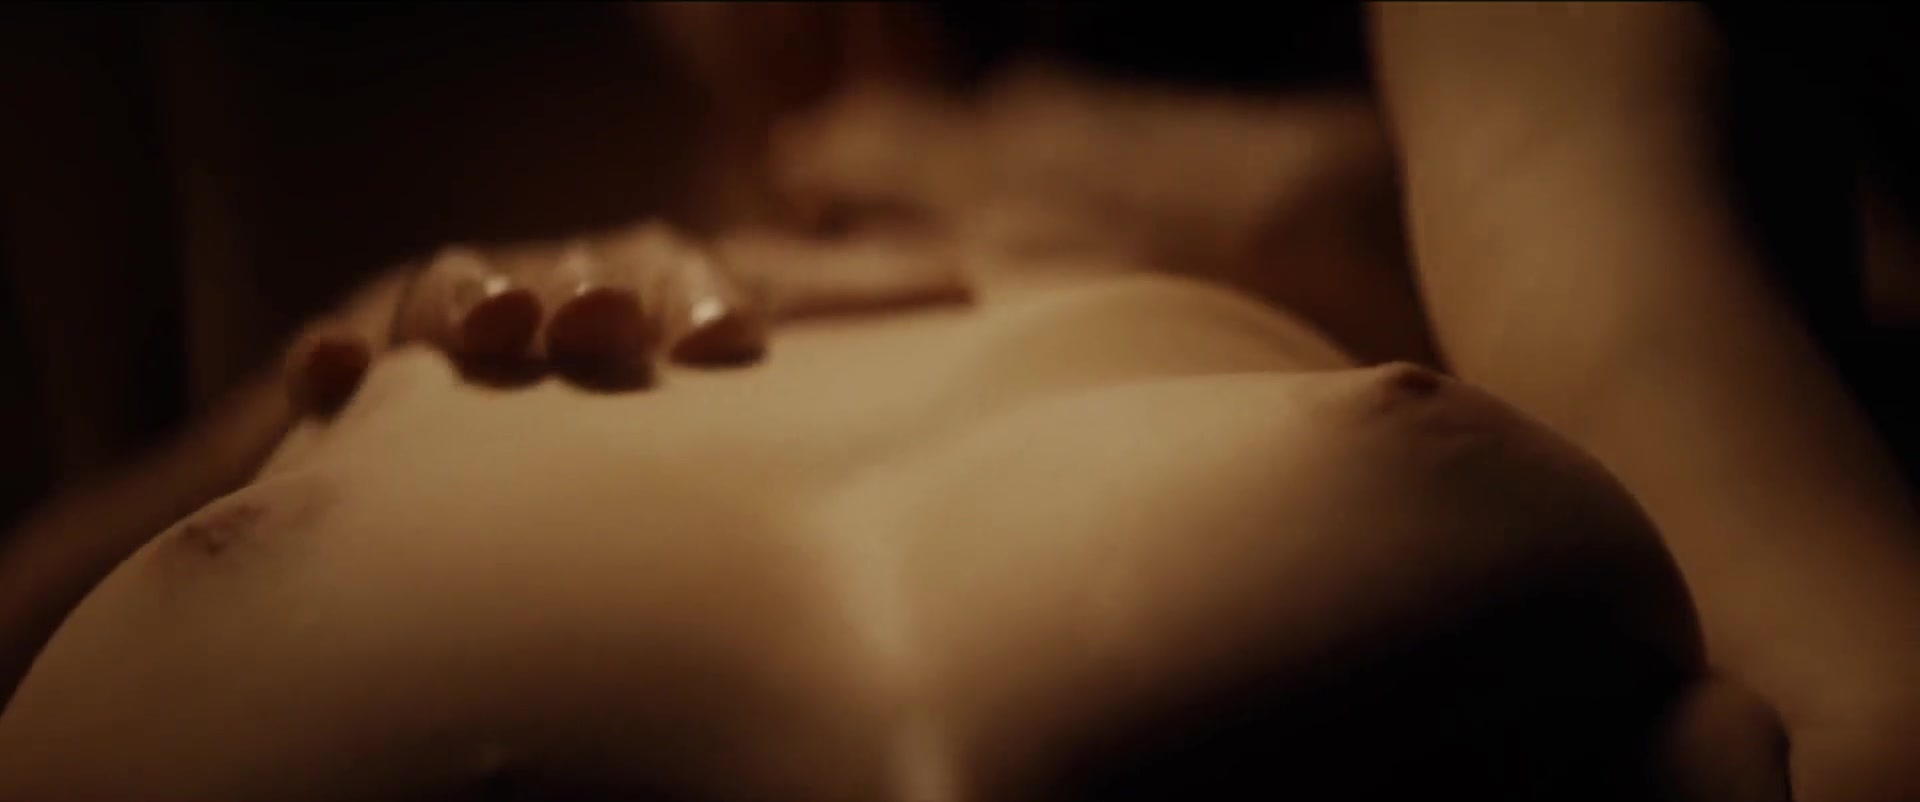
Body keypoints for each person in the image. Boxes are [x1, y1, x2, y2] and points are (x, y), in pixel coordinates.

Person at [0, 3, 1912, 800]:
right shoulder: (464, 267)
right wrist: (290, 400)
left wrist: (1344, 220)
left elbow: (1863, 700)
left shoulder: (1469, 129)